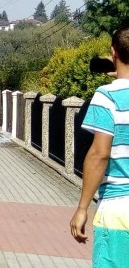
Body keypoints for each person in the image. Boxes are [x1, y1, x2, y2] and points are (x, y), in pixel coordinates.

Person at [71, 23, 129, 266]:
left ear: (113, 51)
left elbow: (99, 154)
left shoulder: (107, 96)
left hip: (118, 207)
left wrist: (82, 207)